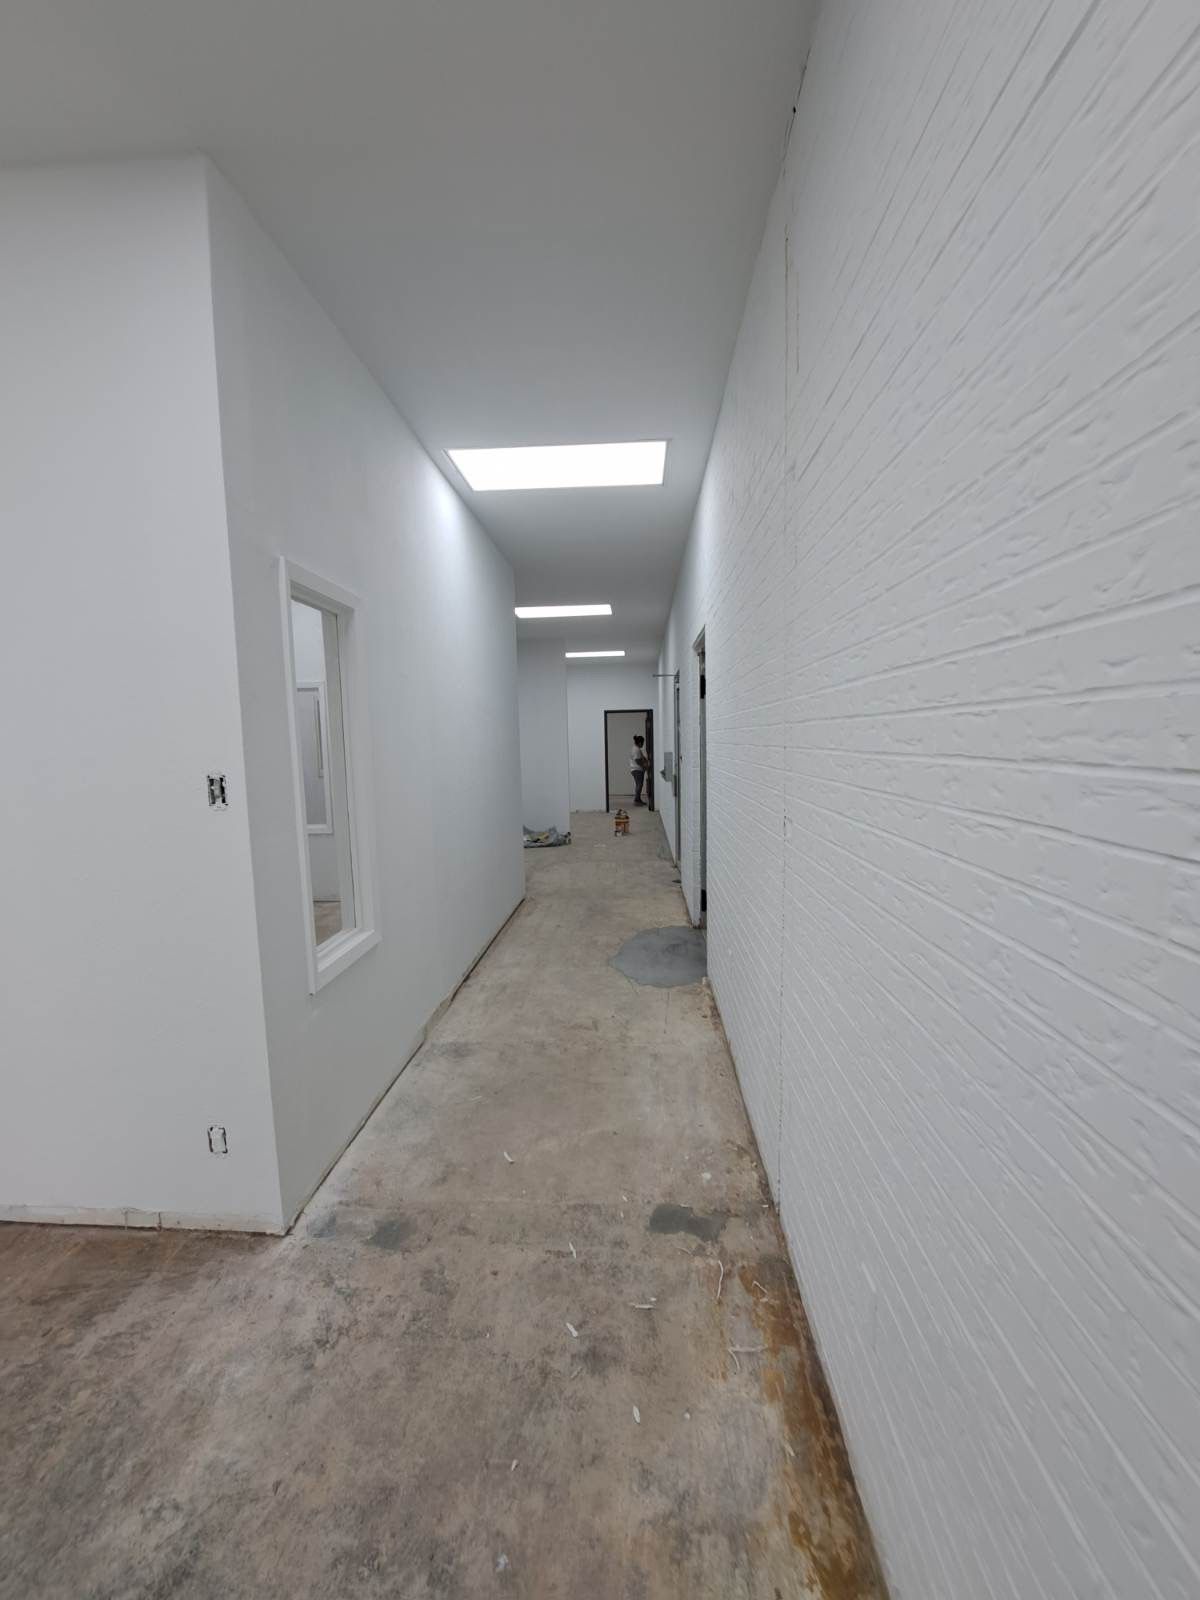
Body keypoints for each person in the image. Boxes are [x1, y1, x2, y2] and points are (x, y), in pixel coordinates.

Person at [630, 734, 649, 806]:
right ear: (640, 743)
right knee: (639, 785)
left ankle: (638, 799)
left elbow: (641, 757)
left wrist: (645, 760)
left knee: (639, 785)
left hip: (636, 769)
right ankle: (637, 800)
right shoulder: (636, 749)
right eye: (643, 743)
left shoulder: (636, 749)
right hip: (637, 770)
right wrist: (645, 767)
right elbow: (638, 760)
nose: (643, 745)